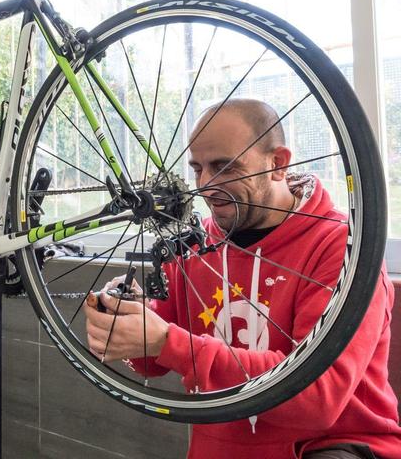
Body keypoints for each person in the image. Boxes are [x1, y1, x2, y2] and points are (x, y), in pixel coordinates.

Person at [84, 98, 401, 458]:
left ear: (277, 164)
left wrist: (168, 342)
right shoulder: (193, 243)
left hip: (335, 447)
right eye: (197, 168)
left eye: (224, 167)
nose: (205, 185)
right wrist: (131, 325)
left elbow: (318, 398)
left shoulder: (342, 249)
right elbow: (153, 362)